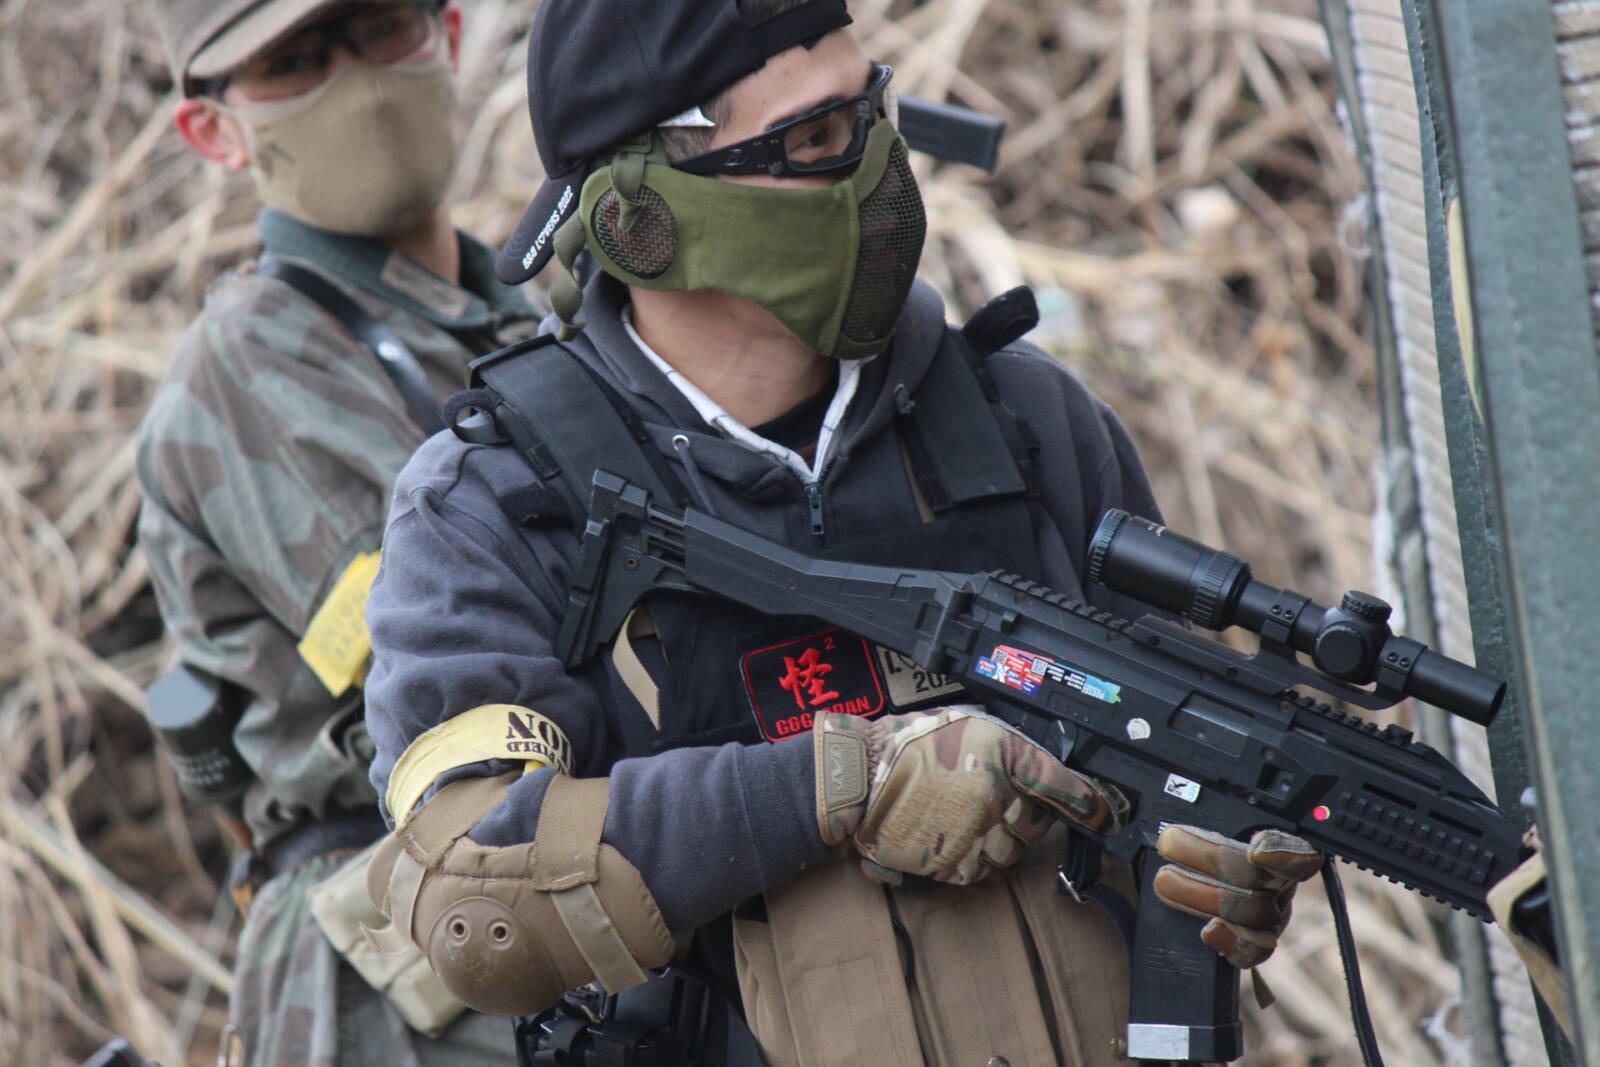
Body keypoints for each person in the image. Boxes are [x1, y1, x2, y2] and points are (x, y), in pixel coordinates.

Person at [359, 0, 1322, 1063]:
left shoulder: (1025, 421)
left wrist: (1215, 853)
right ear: (644, 219)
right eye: (817, 140)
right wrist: (837, 783)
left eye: (874, 112)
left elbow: (1179, 754)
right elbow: (472, 904)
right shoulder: (494, 501)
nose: (877, 169)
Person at [135, 0, 538, 1063]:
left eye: (381, 29)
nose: (357, 86)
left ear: (451, 34)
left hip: (537, 907)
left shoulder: (523, 310)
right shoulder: (250, 360)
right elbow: (465, 644)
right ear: (214, 130)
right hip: (405, 976)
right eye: (296, 63)